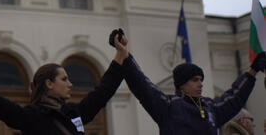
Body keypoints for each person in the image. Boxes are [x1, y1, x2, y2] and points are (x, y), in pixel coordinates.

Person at [0, 35, 128, 135]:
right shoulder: (33, 116)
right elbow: (0, 104)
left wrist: (120, 54)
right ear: (49, 84)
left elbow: (102, 92)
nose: (70, 84)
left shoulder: (73, 112)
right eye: (64, 79)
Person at [113, 31, 266, 135]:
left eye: (201, 80)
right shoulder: (168, 106)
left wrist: (252, 70)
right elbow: (142, 86)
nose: (200, 84)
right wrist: (124, 55)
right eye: (195, 80)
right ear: (181, 84)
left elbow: (234, 97)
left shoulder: (210, 108)